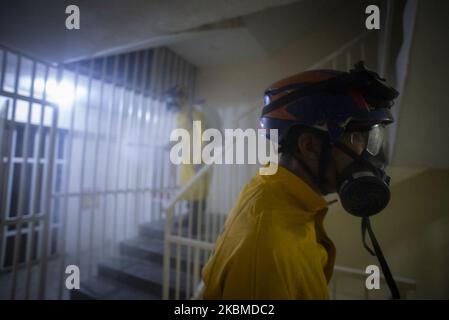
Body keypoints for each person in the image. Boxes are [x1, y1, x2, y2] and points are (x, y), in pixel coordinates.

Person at [201, 61, 399, 299]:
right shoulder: (267, 252)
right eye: (358, 138)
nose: (370, 154)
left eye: (373, 139)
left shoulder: (277, 191)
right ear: (309, 146)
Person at [165, 86, 210, 235]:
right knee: (188, 189)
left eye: (175, 98)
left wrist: (200, 159)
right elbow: (180, 134)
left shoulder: (194, 113)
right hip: (187, 158)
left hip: (198, 157)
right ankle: (189, 218)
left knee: (198, 192)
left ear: (181, 98)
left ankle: (197, 225)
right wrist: (171, 143)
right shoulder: (179, 115)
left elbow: (202, 134)